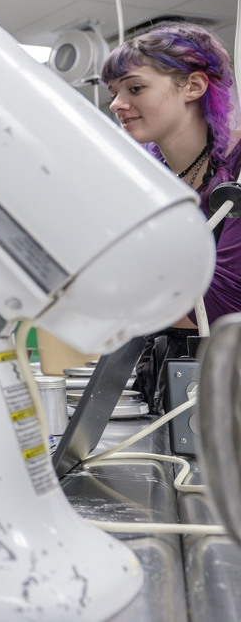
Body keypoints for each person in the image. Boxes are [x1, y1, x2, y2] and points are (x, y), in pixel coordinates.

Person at [102, 21, 241, 408]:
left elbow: (222, 308)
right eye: (114, 93)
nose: (116, 104)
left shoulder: (237, 173)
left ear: (193, 87)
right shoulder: (144, 173)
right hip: (165, 378)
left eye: (135, 88)